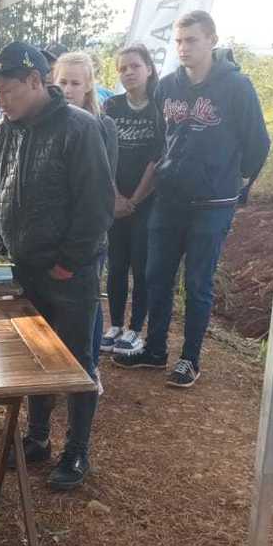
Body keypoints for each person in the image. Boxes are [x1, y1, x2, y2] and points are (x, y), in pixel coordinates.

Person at [0, 42, 114, 490]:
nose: (1, 100)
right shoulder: (2, 131)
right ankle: (36, 439)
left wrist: (68, 263)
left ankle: (77, 451)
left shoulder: (80, 128)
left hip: (68, 274)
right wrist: (0, 251)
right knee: (32, 357)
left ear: (36, 82)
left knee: (75, 361)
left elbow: (96, 205)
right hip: (21, 268)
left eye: (7, 90)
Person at [114, 10, 270, 389]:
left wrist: (235, 187)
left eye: (192, 40)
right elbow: (163, 137)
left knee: (198, 283)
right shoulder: (167, 86)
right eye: (179, 41)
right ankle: (154, 350)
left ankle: (190, 359)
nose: (184, 48)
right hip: (169, 200)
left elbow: (258, 143)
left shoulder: (237, 87)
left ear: (211, 40)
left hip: (212, 204)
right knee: (155, 278)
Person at [51, 51, 118, 383]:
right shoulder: (47, 125)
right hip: (54, 232)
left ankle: (90, 368)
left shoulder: (102, 126)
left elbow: (103, 190)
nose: (67, 89)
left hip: (89, 236)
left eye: (75, 83)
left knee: (88, 302)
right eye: (62, 81)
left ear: (89, 85)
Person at [101, 44, 164, 357]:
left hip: (145, 201)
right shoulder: (111, 107)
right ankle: (114, 324)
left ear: (149, 69)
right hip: (114, 200)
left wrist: (134, 200)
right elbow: (104, 154)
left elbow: (157, 159)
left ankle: (135, 327)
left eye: (135, 66)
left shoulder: (158, 107)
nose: (128, 73)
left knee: (140, 266)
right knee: (116, 265)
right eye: (123, 68)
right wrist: (115, 197)